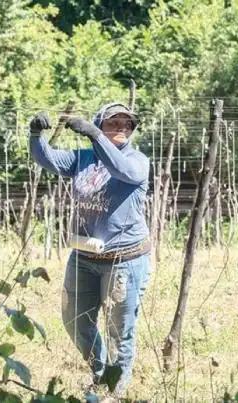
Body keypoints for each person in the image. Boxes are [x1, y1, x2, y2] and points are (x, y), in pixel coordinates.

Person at [28, 102, 151, 397]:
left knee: (119, 332)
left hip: (124, 259)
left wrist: (96, 135)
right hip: (83, 257)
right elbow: (49, 159)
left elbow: (121, 170)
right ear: (99, 122)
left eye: (127, 123)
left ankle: (113, 391)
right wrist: (35, 136)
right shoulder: (83, 159)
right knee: (75, 321)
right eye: (112, 122)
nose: (121, 127)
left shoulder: (137, 160)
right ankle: (100, 375)